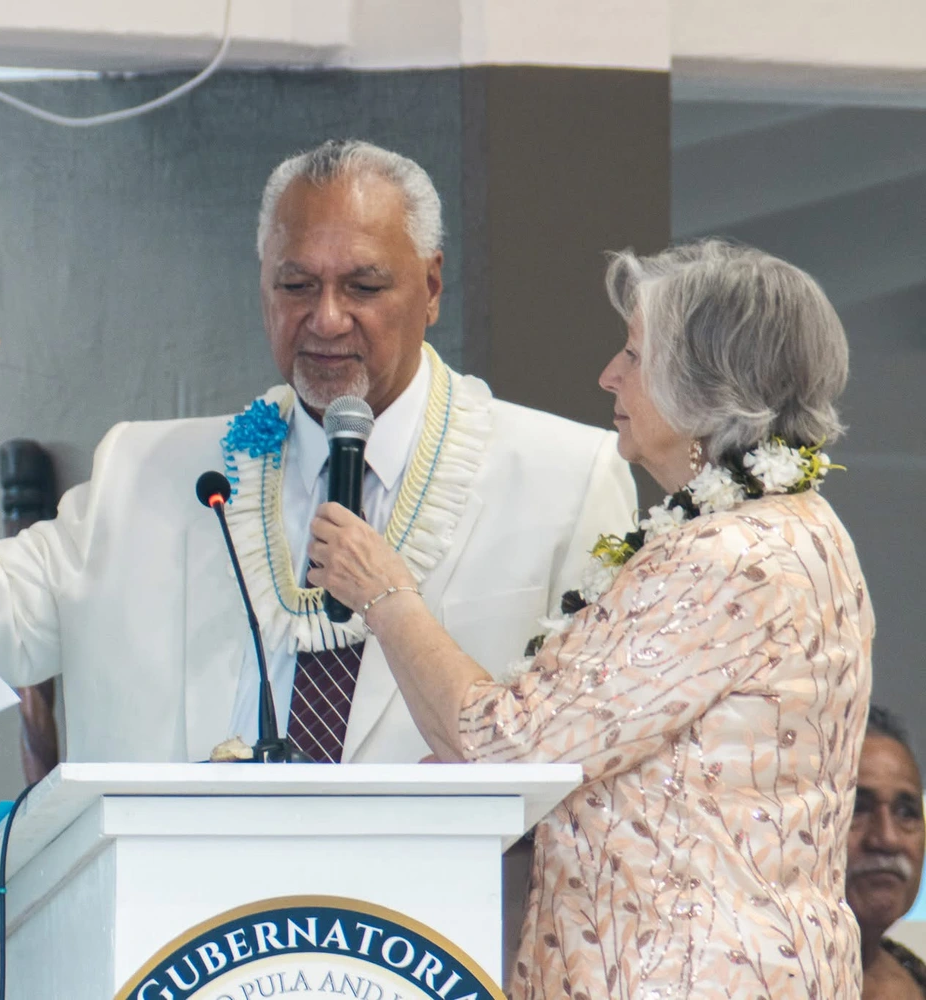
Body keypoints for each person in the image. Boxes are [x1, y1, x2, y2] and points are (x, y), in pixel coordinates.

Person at [0, 138, 634, 766]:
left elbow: (595, 745)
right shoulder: (143, 476)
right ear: (261, 283)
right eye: (295, 286)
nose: (324, 319)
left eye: (362, 286)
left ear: (430, 286)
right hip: (193, 945)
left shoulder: (564, 478)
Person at [307, 238, 873, 998]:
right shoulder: (803, 528)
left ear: (707, 385)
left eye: (635, 354)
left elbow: (502, 743)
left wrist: (384, 593)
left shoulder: (725, 557)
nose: (609, 373)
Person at [849, 706, 926, 999]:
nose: (887, 838)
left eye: (906, 812)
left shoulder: (913, 977)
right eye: (857, 809)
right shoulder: (758, 978)